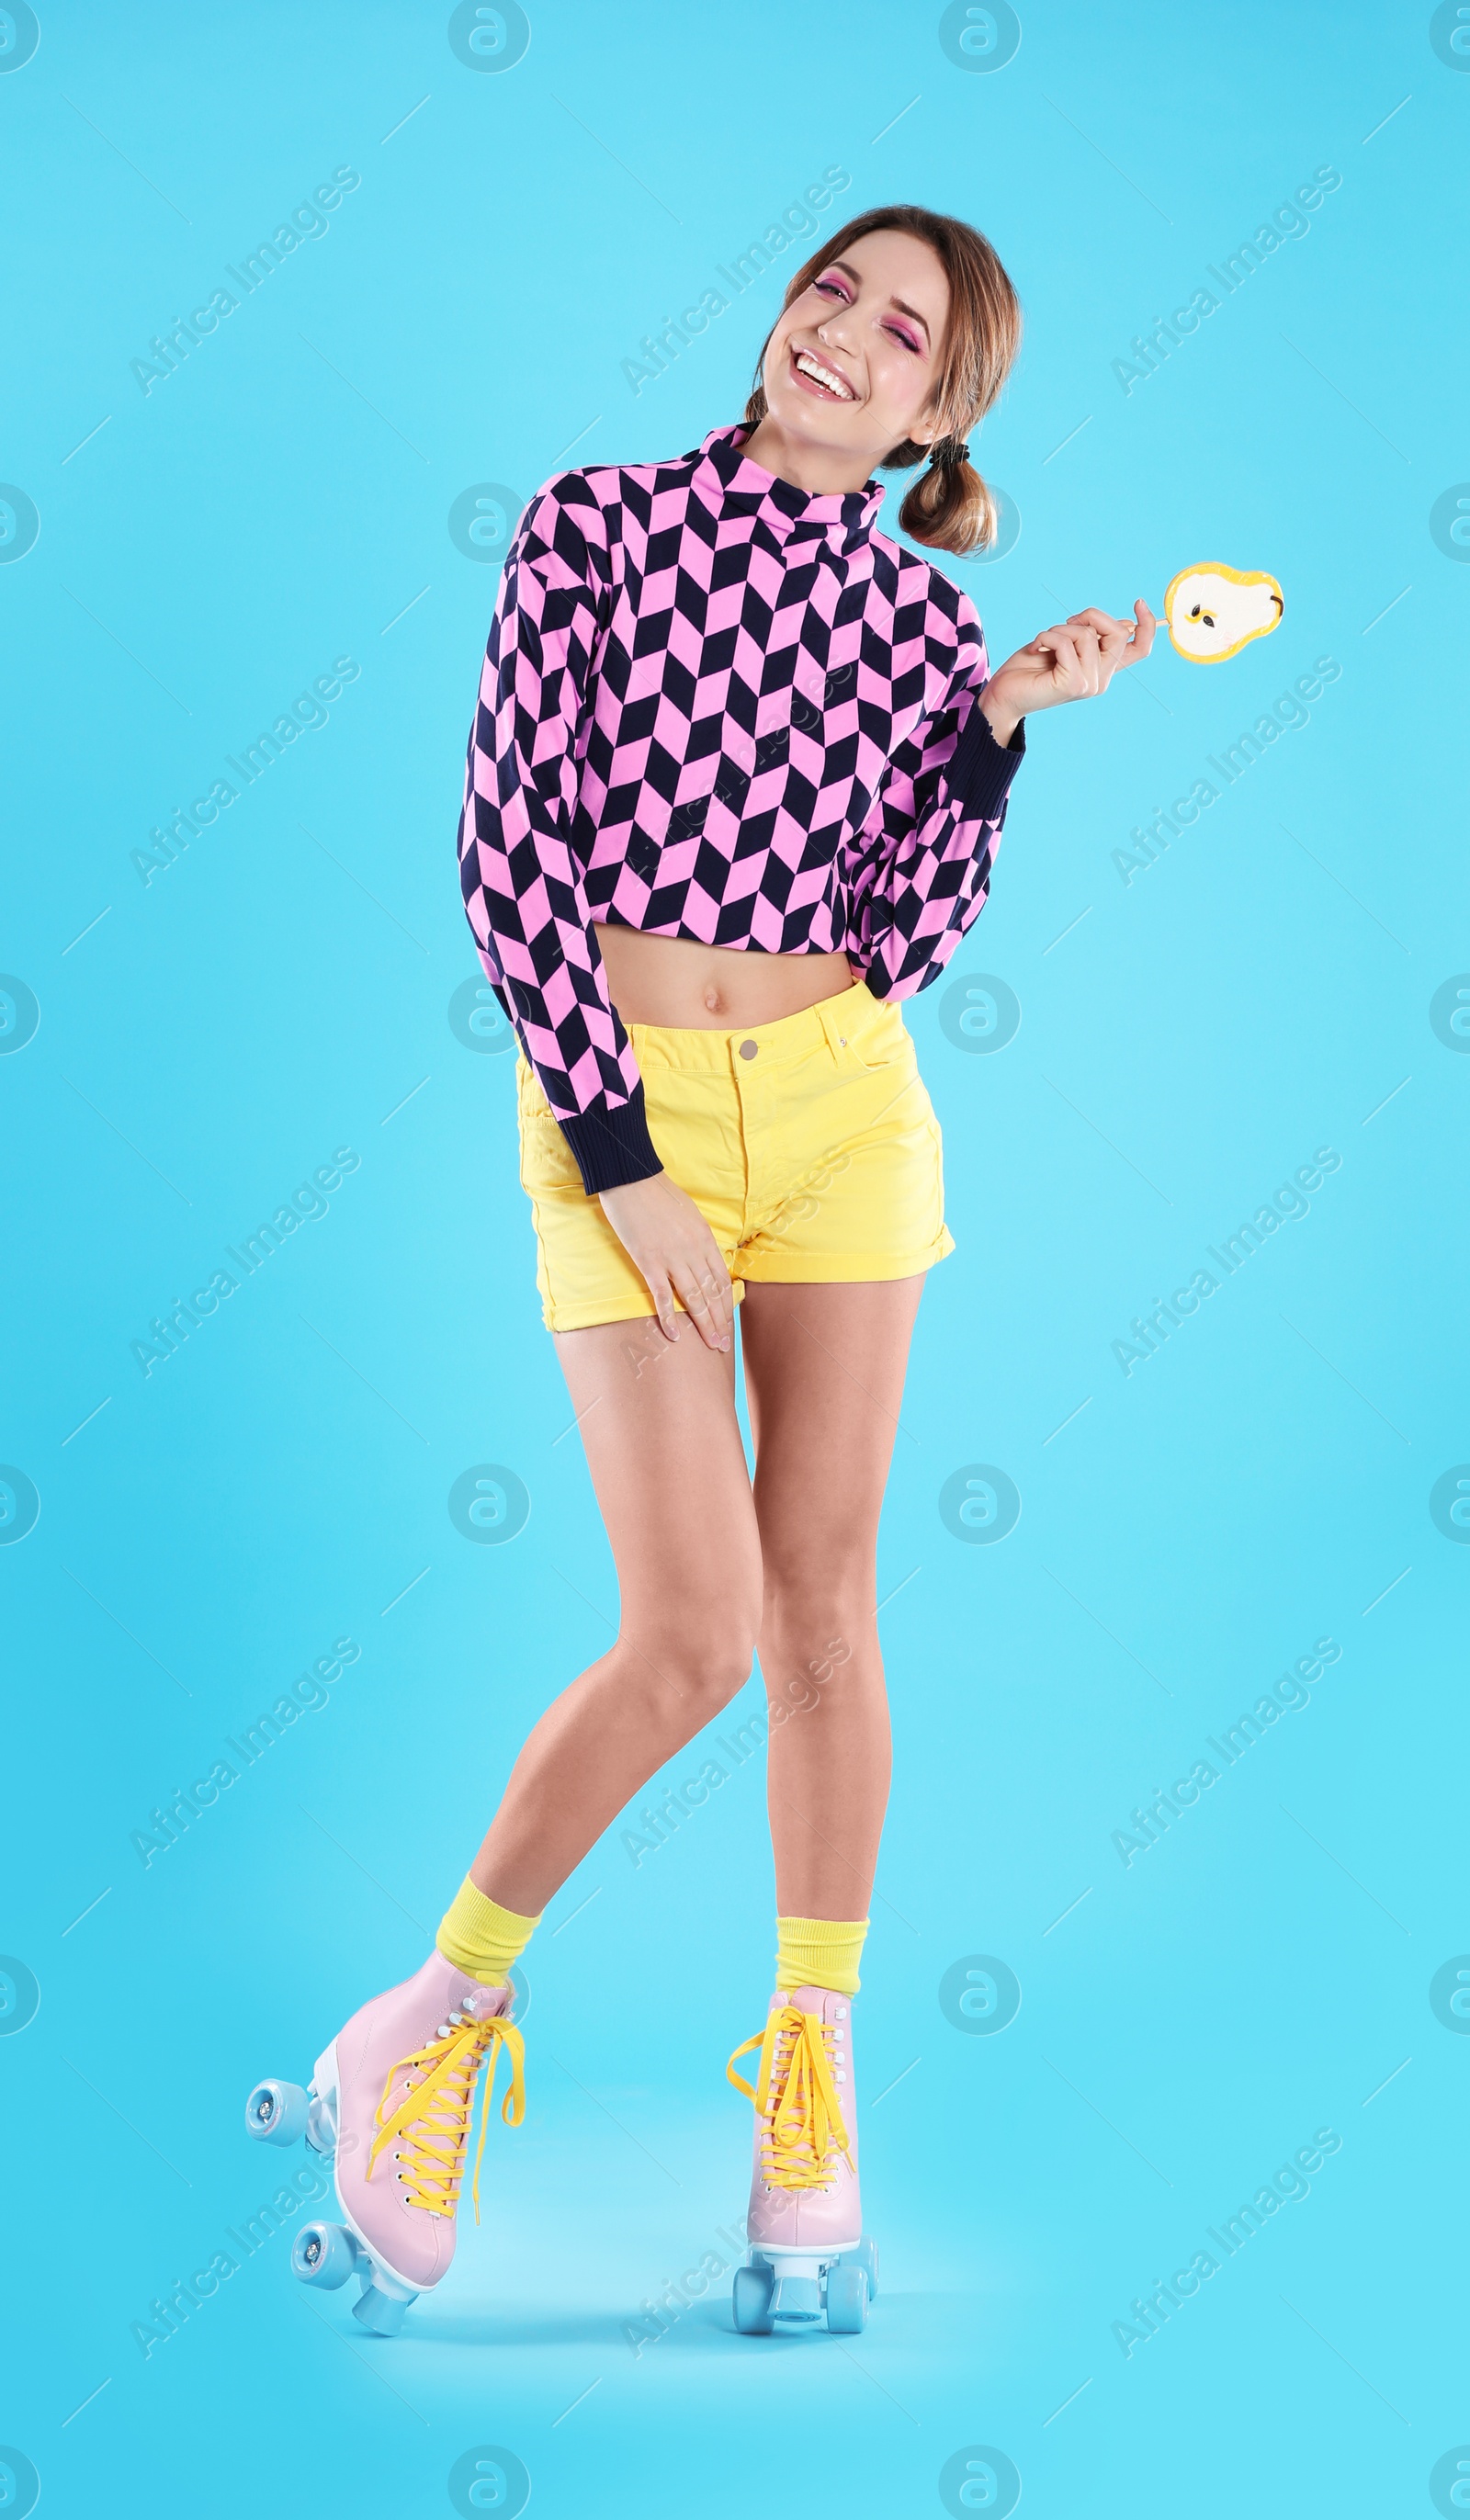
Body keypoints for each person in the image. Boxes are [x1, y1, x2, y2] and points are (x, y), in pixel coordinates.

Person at [246, 203, 1155, 2338]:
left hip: (843, 1109)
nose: (838, 331)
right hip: (618, 1107)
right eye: (826, 288)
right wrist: (620, 1147)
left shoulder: (923, 629)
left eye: (897, 329)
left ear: (942, 410)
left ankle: (807, 2090)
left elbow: (908, 934)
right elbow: (507, 852)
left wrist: (1001, 724)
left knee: (826, 1612)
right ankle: (430, 2020)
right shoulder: (591, 529)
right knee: (692, 1631)